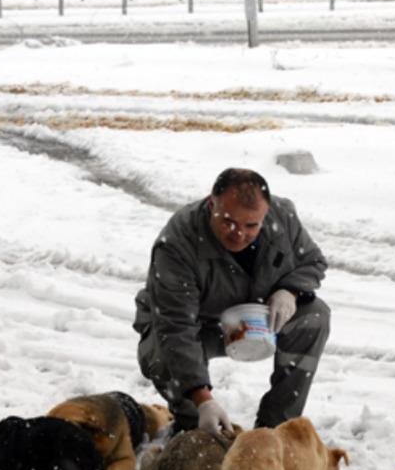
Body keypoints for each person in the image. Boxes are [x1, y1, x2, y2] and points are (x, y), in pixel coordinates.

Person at [134, 168, 330, 437]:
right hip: (198, 325)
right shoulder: (177, 243)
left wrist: (290, 291)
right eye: (228, 222)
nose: (239, 234)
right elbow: (176, 327)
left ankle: (273, 430)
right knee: (162, 349)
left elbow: (314, 261)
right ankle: (193, 427)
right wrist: (202, 399)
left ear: (266, 213)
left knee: (314, 317)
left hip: (252, 318)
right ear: (211, 203)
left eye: (251, 226)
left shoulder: (282, 217)